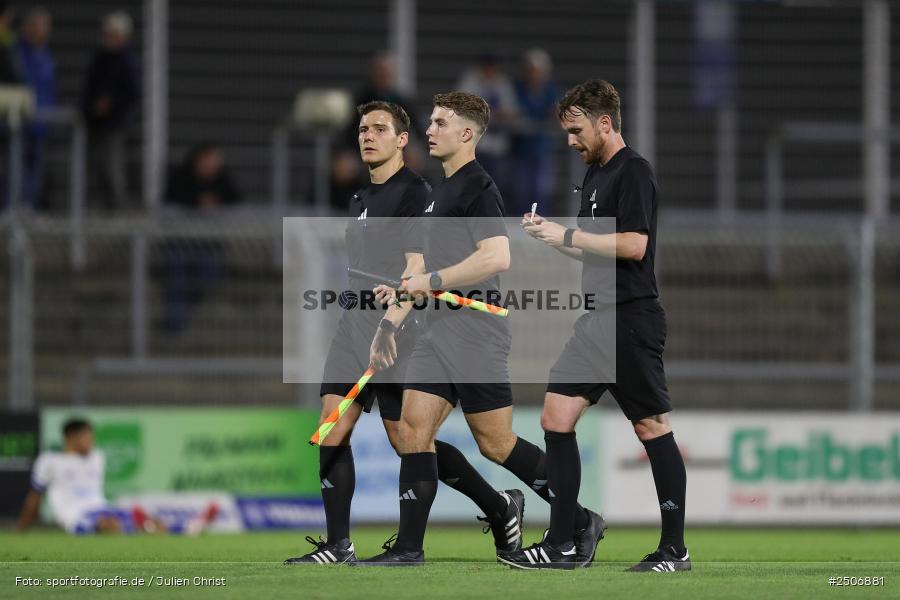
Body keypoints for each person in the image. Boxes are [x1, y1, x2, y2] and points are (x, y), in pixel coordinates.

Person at [360, 92, 605, 567]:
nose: (430, 130)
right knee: (412, 431)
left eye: (440, 123)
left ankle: (579, 520)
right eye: (431, 122)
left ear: (467, 133)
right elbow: (423, 273)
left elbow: (497, 256)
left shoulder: (478, 187)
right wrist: (390, 323)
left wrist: (431, 281)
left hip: (475, 330)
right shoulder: (439, 192)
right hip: (436, 330)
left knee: (495, 443)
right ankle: (409, 549)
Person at [285, 100, 524, 566]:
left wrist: (393, 317)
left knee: (408, 439)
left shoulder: (416, 193)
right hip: (353, 328)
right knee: (332, 425)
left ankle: (498, 507)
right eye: (362, 129)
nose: (367, 136)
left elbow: (419, 266)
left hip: (398, 330)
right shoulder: (360, 199)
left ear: (400, 140)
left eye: (379, 129)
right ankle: (338, 545)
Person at [500, 80, 689, 572]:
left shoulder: (634, 171)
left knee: (651, 427)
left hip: (629, 317)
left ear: (605, 123)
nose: (570, 141)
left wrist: (566, 233)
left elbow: (634, 246)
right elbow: (593, 248)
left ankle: (674, 551)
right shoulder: (595, 176)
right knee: (555, 418)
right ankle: (563, 543)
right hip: (596, 319)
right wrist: (550, 237)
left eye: (576, 130)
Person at [16, 418, 218, 534]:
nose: (90, 441)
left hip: (102, 507)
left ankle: (189, 527)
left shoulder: (97, 457)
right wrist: (21, 528)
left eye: (91, 436)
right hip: (76, 516)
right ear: (70, 438)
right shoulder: (49, 461)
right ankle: (152, 528)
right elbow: (35, 496)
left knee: (138, 516)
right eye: (86, 436)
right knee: (111, 524)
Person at [162, 143, 240, 332]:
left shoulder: (222, 179)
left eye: (216, 161)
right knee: (176, 281)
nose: (214, 165)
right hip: (180, 242)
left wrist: (216, 203)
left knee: (208, 278)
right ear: (198, 160)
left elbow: (235, 200)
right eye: (210, 160)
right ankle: (175, 325)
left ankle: (185, 311)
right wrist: (196, 203)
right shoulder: (181, 177)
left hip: (209, 245)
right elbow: (170, 201)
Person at [81, 11, 139, 211]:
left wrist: (110, 105)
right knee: (95, 165)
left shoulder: (127, 61)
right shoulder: (100, 58)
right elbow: (89, 88)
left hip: (115, 123)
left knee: (112, 165)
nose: (110, 38)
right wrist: (90, 109)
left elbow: (132, 93)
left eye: (114, 34)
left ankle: (116, 207)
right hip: (95, 122)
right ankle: (99, 206)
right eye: (107, 34)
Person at [457, 54, 518, 198]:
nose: (490, 71)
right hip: (474, 145)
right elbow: (461, 108)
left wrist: (497, 114)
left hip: (497, 147)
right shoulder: (471, 80)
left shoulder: (502, 83)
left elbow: (512, 112)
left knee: (496, 186)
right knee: (472, 184)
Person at [509, 48, 560, 217]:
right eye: (531, 70)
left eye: (538, 71)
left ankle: (540, 220)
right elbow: (513, 112)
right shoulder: (517, 89)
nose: (534, 75)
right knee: (520, 189)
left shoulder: (550, 90)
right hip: (520, 149)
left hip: (542, 149)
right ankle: (519, 220)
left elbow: (557, 111)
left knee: (541, 189)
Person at [15, 6, 55, 209]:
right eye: (39, 26)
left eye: (45, 26)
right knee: (16, 169)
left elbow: (48, 89)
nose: (43, 30)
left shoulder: (45, 56)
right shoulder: (16, 53)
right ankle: (13, 210)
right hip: (18, 123)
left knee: (35, 170)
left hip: (40, 123)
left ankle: (29, 209)